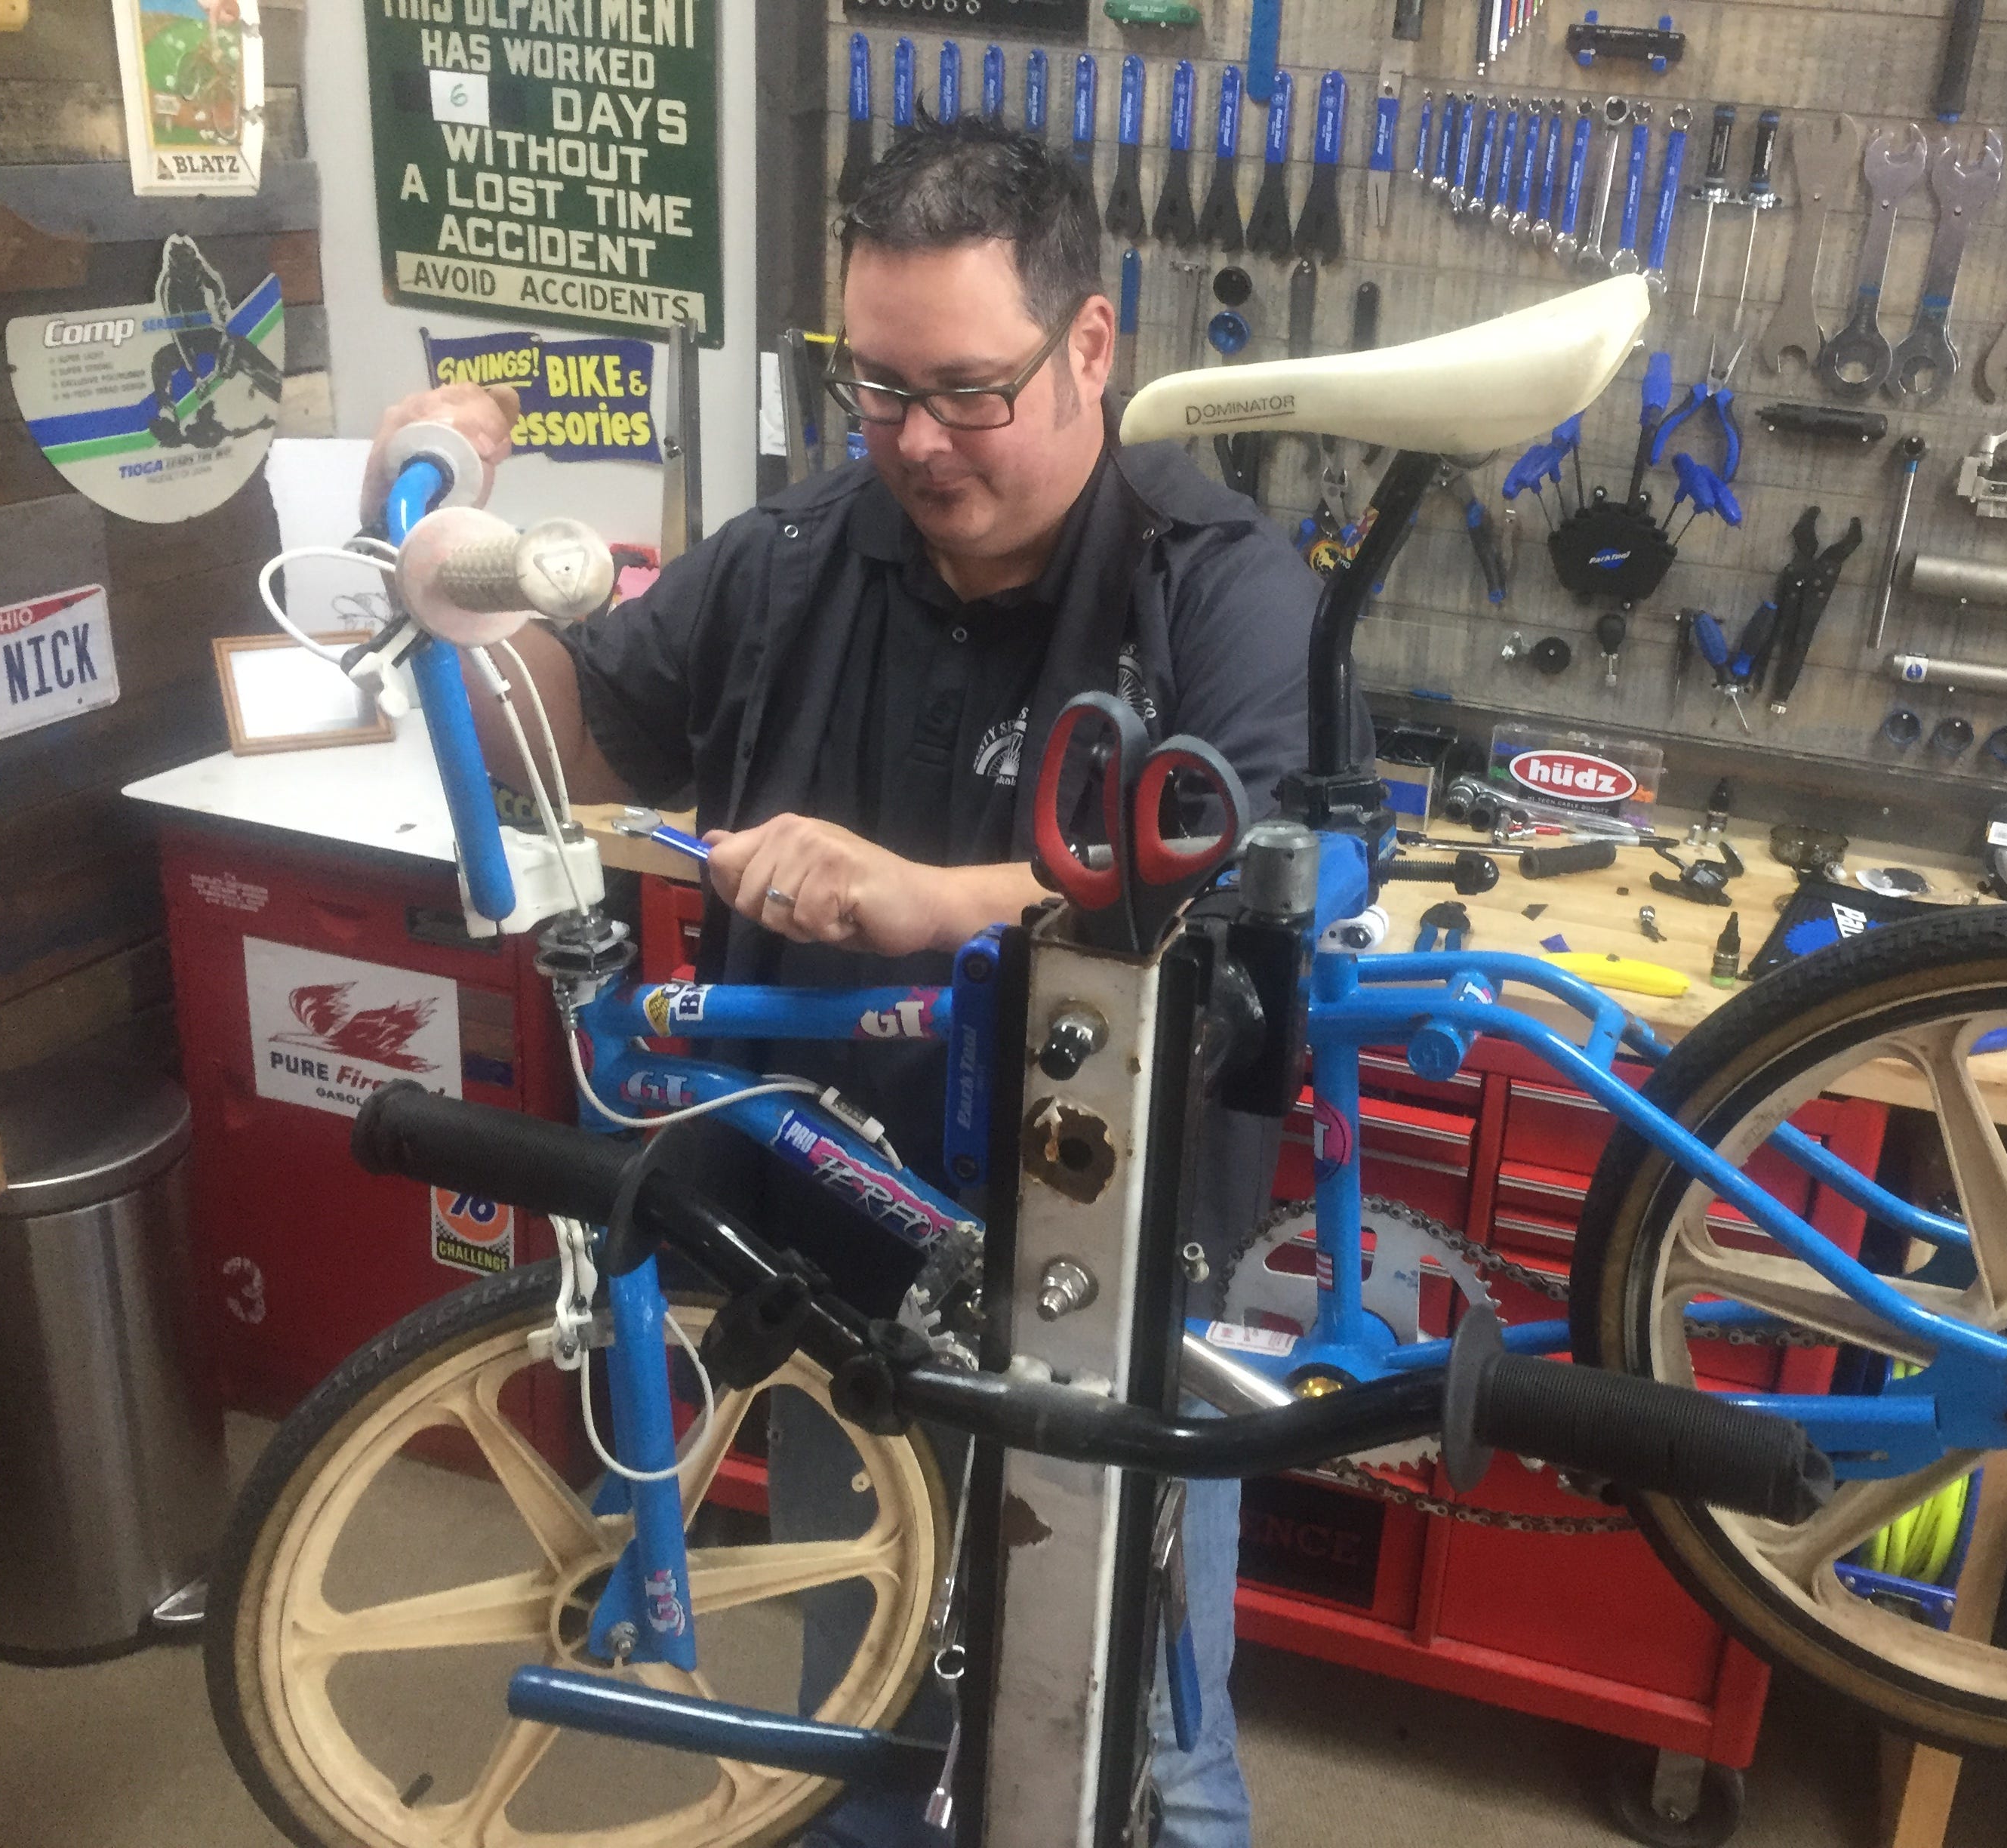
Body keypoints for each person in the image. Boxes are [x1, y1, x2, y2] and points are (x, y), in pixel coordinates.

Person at [359, 117, 1334, 1847]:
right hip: (850, 1252)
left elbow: (1248, 878)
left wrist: (938, 896)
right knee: (869, 1687)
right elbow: (562, 746)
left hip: (1120, 1269)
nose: (916, 444)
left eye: (966, 391)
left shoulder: (1221, 580)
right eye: (872, 389)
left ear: (1090, 345)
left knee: (1149, 1746)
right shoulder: (797, 554)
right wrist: (439, 558)